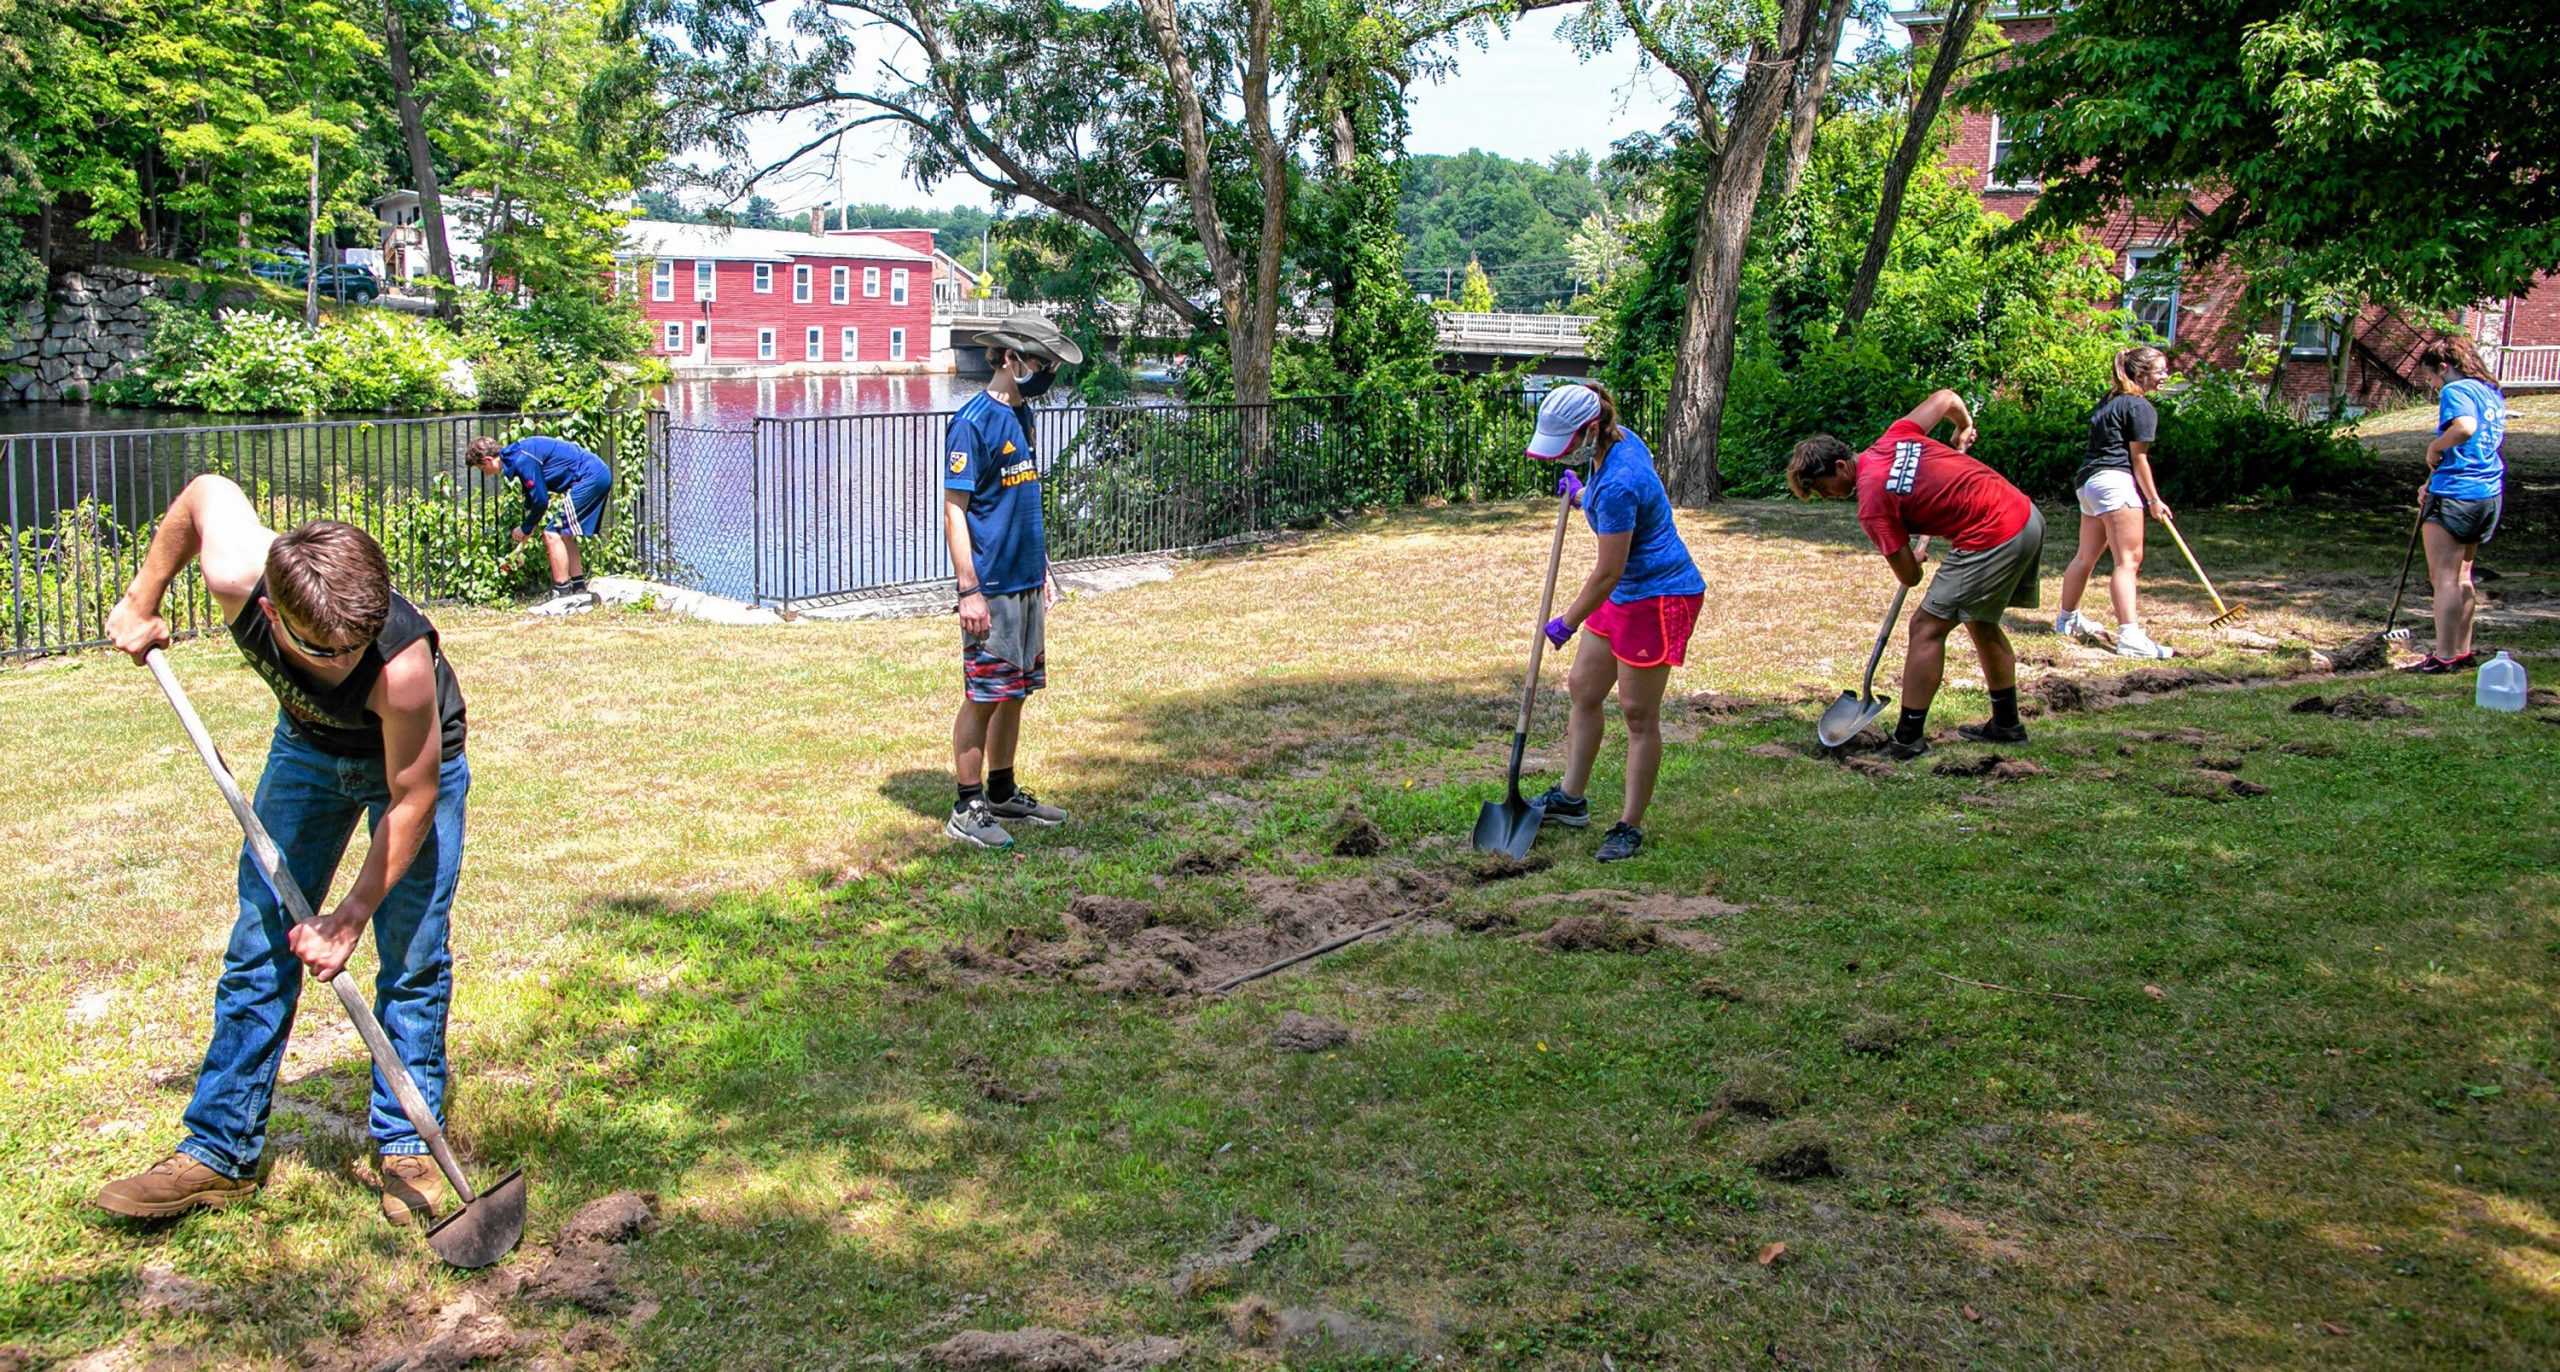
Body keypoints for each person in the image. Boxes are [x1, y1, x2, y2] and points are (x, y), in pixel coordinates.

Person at [94, 475, 471, 1227]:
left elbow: (413, 797)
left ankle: (407, 1141)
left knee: (413, 954)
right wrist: (143, 599)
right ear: (271, 611)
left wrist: (350, 914)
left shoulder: (400, 664)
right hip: (304, 755)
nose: (345, 661)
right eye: (326, 650)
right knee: (259, 943)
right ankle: (218, 1152)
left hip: (408, 765)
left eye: (356, 645)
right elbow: (204, 493)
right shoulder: (239, 573)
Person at [1787, 389, 2044, 761]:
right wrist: (1963, 425)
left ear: (1841, 467)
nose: (1829, 498)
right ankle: (2006, 724)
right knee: (1980, 622)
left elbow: (1909, 576)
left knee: (1926, 627)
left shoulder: (1872, 504)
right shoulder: (1895, 437)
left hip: (1993, 533)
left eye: (1826, 489)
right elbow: (1946, 398)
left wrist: (1914, 557)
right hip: (2024, 515)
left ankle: (1908, 737)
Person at [1525, 382, 1705, 863]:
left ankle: (1629, 826)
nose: (1563, 453)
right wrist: (1585, 494)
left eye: (1567, 441)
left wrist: (1567, 620)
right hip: (1623, 590)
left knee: (1637, 713)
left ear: (1590, 428)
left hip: (1658, 594)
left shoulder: (1621, 479)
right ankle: (1571, 798)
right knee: (1584, 688)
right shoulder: (1616, 439)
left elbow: (1608, 570)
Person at [942, 316, 1082, 848]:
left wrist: (1042, 568)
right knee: (984, 693)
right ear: (1009, 359)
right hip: (991, 585)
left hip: (1025, 578)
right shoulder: (972, 422)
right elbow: (956, 511)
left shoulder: (1023, 415)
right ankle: (967, 804)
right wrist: (969, 590)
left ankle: (1001, 791)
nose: (1045, 373)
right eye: (1040, 363)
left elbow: (1020, 498)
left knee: (1016, 690)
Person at [2053, 346, 2178, 658]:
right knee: (2128, 561)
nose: (2165, 376)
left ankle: (2066, 620)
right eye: (2160, 370)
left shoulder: (2110, 400)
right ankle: (2130, 637)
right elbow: (2139, 459)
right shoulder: (2140, 407)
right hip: (2114, 482)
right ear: (2140, 374)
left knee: (2086, 556)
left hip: (2088, 483)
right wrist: (2153, 500)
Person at [2404, 338, 2507, 674]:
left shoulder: (2456, 390)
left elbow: (2465, 429)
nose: (2433, 387)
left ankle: (2444, 655)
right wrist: (2431, 481)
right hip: (2485, 492)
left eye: (2431, 379)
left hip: (2457, 495)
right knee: (2464, 577)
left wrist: (2435, 444)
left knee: (2444, 578)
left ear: (2444, 367)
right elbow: (2474, 449)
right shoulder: (2489, 391)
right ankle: (2461, 651)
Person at [464, 433, 614, 615]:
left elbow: (542, 501)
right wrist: (529, 525)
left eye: (482, 469)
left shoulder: (521, 459)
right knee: (564, 534)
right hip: (595, 474)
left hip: (589, 477)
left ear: (488, 460)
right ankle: (579, 591)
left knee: (552, 534)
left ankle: (562, 594)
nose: (486, 474)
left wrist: (526, 527)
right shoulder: (516, 455)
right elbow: (533, 495)